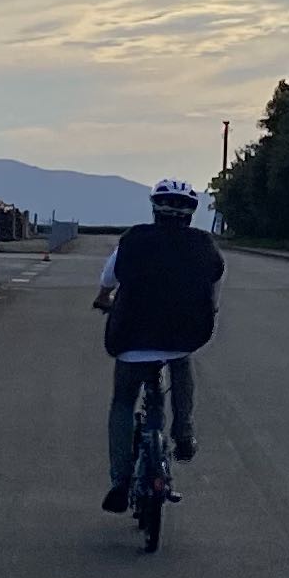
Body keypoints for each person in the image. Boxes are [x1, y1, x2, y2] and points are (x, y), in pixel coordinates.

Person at [95, 179, 222, 508]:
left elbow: (109, 280)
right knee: (182, 364)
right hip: (181, 336)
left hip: (131, 338)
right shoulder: (203, 245)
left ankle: (120, 480)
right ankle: (184, 435)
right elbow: (213, 290)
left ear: (155, 209)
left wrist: (103, 299)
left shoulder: (134, 240)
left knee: (123, 402)